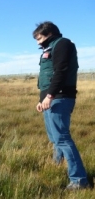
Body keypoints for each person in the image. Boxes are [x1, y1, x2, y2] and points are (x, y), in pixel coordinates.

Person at [32, 21, 89, 190]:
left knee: (62, 138)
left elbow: (61, 71)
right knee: (55, 138)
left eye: (40, 38)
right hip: (49, 100)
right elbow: (47, 77)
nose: (38, 42)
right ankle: (56, 166)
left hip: (60, 98)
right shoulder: (48, 49)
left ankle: (79, 180)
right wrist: (42, 99)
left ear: (49, 33)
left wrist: (50, 96)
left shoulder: (63, 44)